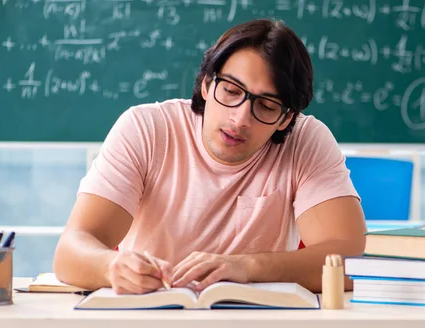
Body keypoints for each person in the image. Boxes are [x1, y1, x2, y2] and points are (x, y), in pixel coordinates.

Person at [53, 19, 366, 295]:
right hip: (150, 321)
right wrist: (112, 267)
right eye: (230, 91)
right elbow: (70, 252)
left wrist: (247, 267)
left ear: (287, 119)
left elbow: (351, 261)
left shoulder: (305, 140)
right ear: (206, 84)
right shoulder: (146, 128)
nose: (241, 119)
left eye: (267, 106)